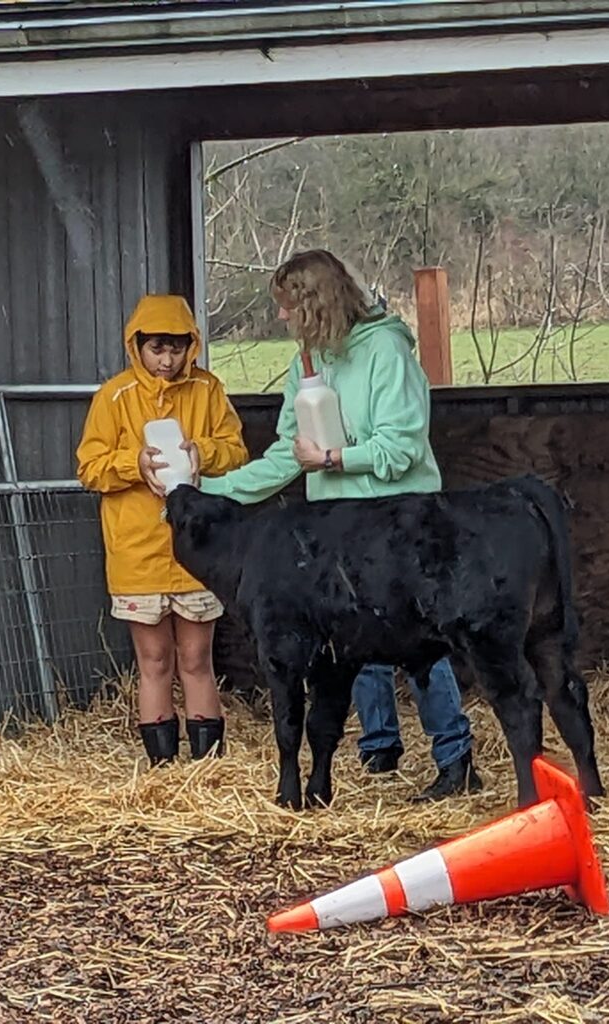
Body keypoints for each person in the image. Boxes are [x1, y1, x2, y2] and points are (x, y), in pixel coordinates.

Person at [199, 250, 481, 801]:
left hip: (398, 524)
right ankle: (380, 748)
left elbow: (400, 447)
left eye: (287, 307)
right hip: (334, 528)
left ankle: (456, 756)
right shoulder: (308, 361)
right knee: (347, 640)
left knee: (422, 640)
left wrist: (333, 459)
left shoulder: (386, 351)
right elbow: (289, 450)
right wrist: (214, 491)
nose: (282, 319)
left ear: (314, 303)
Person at [77, 295, 248, 766]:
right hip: (137, 549)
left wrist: (203, 454)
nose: (167, 360)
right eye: (157, 349)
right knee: (154, 661)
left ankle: (207, 766)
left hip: (198, 548)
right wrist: (133, 464)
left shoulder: (208, 391)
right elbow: (89, 468)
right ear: (137, 346)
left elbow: (235, 449)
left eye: (176, 349)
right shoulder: (113, 398)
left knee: (196, 658)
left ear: (190, 346)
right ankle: (162, 768)